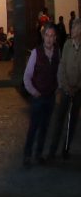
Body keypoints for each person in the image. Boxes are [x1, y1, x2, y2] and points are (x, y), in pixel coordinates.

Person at [23, 24, 60, 166]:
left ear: (55, 38)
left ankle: (39, 154)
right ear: (43, 37)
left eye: (52, 36)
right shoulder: (36, 53)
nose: (49, 39)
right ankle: (27, 155)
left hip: (50, 96)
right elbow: (27, 76)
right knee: (34, 127)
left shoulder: (57, 52)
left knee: (45, 127)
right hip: (38, 97)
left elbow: (58, 72)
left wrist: (57, 87)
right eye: (47, 35)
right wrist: (34, 92)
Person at [50, 19, 81, 159]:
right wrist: (65, 85)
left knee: (72, 120)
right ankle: (53, 150)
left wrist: (77, 86)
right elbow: (62, 65)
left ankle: (66, 149)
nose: (72, 30)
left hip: (78, 90)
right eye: (72, 27)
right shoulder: (68, 44)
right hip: (66, 89)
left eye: (74, 28)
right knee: (59, 119)